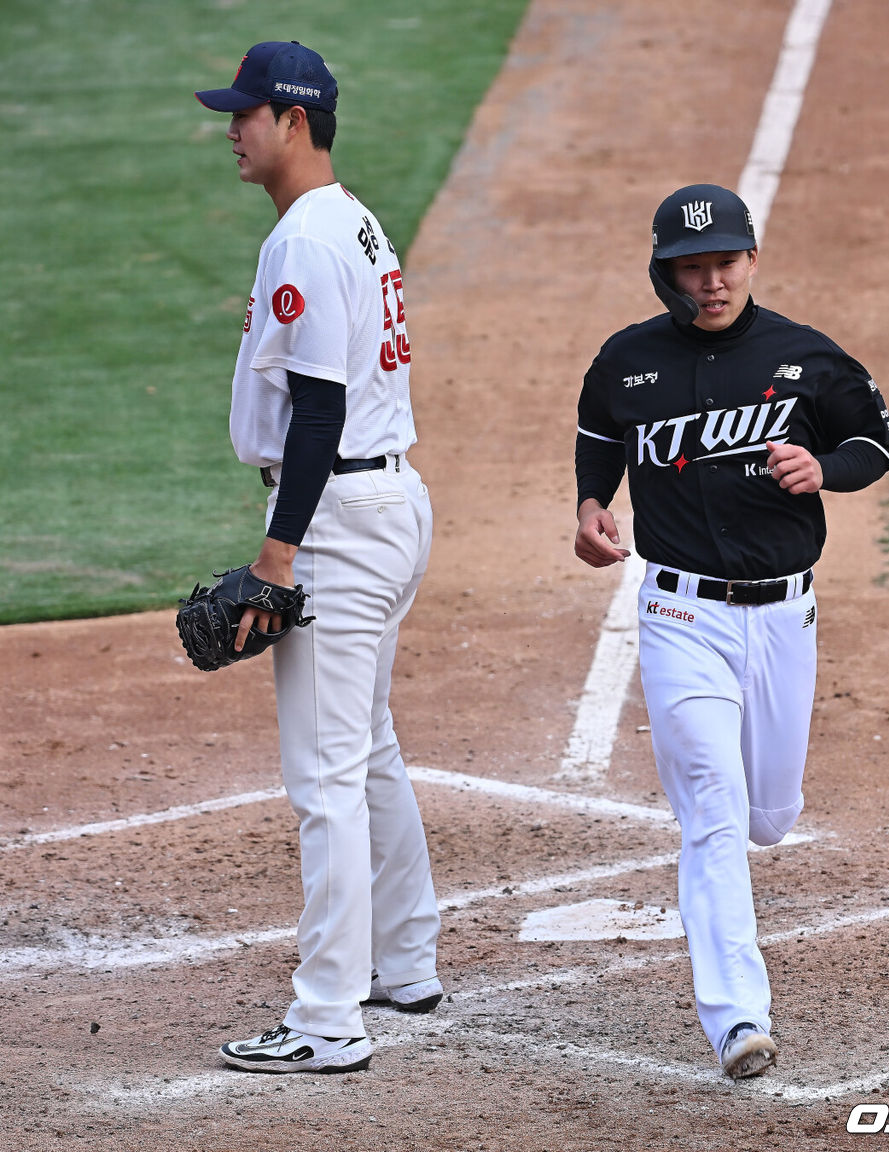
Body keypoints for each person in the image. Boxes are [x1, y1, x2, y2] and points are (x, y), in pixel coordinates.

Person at [573, 184, 889, 1079]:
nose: (711, 282)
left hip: (785, 616)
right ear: (665, 272)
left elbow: (876, 442)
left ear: (751, 259)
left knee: (768, 815)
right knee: (712, 810)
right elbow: (599, 434)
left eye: (726, 262)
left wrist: (822, 467)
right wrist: (591, 503)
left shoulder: (806, 356)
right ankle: (737, 1018)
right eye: (692, 268)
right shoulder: (628, 361)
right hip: (681, 615)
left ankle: (760, 837)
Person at [193, 40, 442, 1075]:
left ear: (293, 121)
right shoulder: (352, 218)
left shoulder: (303, 237)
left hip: (339, 516)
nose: (232, 129)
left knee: (325, 774)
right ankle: (406, 960)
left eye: (245, 113)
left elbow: (318, 413)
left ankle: (328, 1019)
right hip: (386, 503)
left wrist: (278, 554)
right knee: (366, 746)